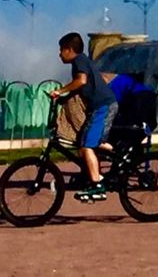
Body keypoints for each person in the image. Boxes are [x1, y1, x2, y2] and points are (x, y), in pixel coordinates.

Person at [50, 33, 118, 202]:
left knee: (87, 146)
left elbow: (81, 81)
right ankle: (117, 155)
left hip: (103, 106)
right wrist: (64, 99)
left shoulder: (79, 60)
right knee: (87, 142)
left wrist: (60, 91)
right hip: (101, 106)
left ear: (69, 50)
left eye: (61, 50)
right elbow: (81, 87)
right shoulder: (81, 61)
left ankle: (97, 184)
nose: (59, 54)